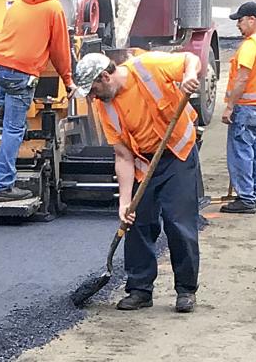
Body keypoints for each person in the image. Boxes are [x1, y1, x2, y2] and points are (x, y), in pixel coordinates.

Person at [75, 48, 204, 313]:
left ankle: (185, 290)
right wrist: (125, 203)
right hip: (145, 163)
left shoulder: (148, 66)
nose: (92, 97)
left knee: (178, 222)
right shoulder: (105, 108)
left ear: (105, 77)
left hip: (177, 154)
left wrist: (190, 74)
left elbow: (190, 59)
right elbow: (122, 156)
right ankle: (140, 290)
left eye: (93, 89)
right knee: (138, 222)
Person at [0, 0, 75, 201]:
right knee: (13, 130)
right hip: (19, 73)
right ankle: (3, 186)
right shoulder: (54, 7)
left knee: (6, 86)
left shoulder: (18, 3)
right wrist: (68, 80)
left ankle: (1, 108)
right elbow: (60, 50)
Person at [219, 2, 256, 215]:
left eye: (240, 21)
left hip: (246, 108)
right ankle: (255, 194)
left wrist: (230, 107)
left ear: (252, 19)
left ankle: (245, 198)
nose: (238, 25)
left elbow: (242, 79)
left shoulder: (250, 45)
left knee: (241, 152)